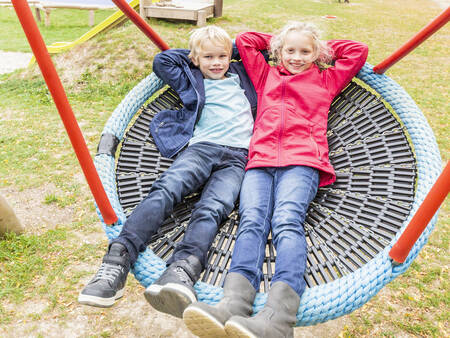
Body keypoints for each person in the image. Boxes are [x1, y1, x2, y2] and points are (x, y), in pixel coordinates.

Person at [183, 21, 368, 337]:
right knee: (251, 221)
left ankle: (279, 318)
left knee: (286, 220)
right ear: (279, 51)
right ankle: (234, 303)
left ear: (315, 54)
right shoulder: (265, 74)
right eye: (290, 50)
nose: (296, 57)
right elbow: (245, 41)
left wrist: (318, 46)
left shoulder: (326, 79)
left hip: (302, 162)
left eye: (304, 51)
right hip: (261, 160)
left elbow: (357, 51)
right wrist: (283, 39)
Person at [78, 25, 258, 319]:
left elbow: (256, 52)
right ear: (196, 59)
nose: (216, 63)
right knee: (166, 189)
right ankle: (117, 259)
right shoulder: (192, 79)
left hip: (238, 157)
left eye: (222, 56)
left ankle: (183, 268)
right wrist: (196, 55)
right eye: (208, 57)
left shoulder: (242, 77)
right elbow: (163, 61)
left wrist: (231, 48)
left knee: (213, 208)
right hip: (201, 148)